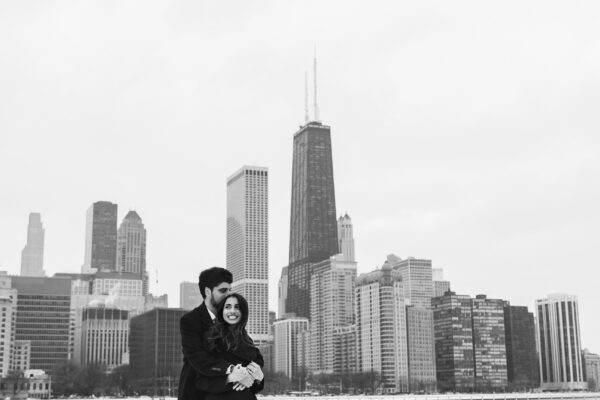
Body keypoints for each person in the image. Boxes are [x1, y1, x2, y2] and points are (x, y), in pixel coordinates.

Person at [178, 267, 252, 400]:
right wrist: (231, 370)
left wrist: (250, 373)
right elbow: (198, 358)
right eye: (223, 290)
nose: (229, 295)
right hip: (196, 393)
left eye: (230, 290)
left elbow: (247, 351)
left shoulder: (231, 318)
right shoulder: (190, 321)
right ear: (207, 291)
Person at [196, 293, 264, 400]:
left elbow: (253, 388)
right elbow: (200, 381)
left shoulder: (247, 341)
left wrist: (259, 378)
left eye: (237, 307)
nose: (232, 311)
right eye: (227, 307)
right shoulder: (209, 339)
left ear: (243, 312)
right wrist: (229, 378)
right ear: (221, 311)